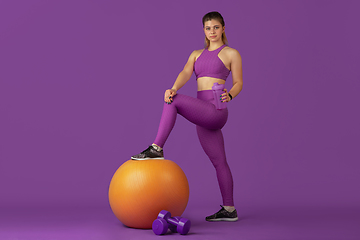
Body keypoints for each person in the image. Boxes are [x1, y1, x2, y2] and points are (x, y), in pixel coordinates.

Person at [131, 11, 243, 222]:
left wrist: (230, 94)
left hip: (216, 110)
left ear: (223, 28)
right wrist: (173, 87)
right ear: (204, 30)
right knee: (219, 161)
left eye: (216, 27)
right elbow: (185, 73)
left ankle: (156, 148)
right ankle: (229, 209)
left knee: (175, 102)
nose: (212, 32)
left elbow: (239, 82)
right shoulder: (195, 54)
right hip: (203, 112)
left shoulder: (231, 53)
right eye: (208, 28)